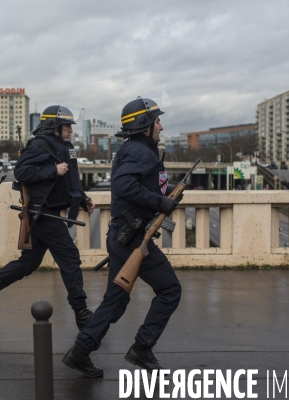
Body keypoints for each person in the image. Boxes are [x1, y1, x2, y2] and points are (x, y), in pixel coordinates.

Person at [62, 93, 182, 378]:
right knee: (170, 291)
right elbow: (126, 187)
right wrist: (159, 203)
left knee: (115, 301)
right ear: (145, 124)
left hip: (123, 236)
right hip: (132, 239)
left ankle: (80, 352)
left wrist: (165, 194)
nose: (161, 126)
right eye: (157, 120)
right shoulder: (138, 151)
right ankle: (142, 347)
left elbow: (141, 186)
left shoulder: (137, 150)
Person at [0, 105, 96, 331]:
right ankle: (81, 313)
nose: (70, 131)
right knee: (70, 259)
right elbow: (22, 172)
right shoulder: (40, 145)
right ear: (54, 126)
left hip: (48, 214)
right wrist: (52, 170)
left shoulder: (64, 146)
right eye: (67, 126)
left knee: (28, 263)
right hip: (44, 215)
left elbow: (70, 180)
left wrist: (83, 199)